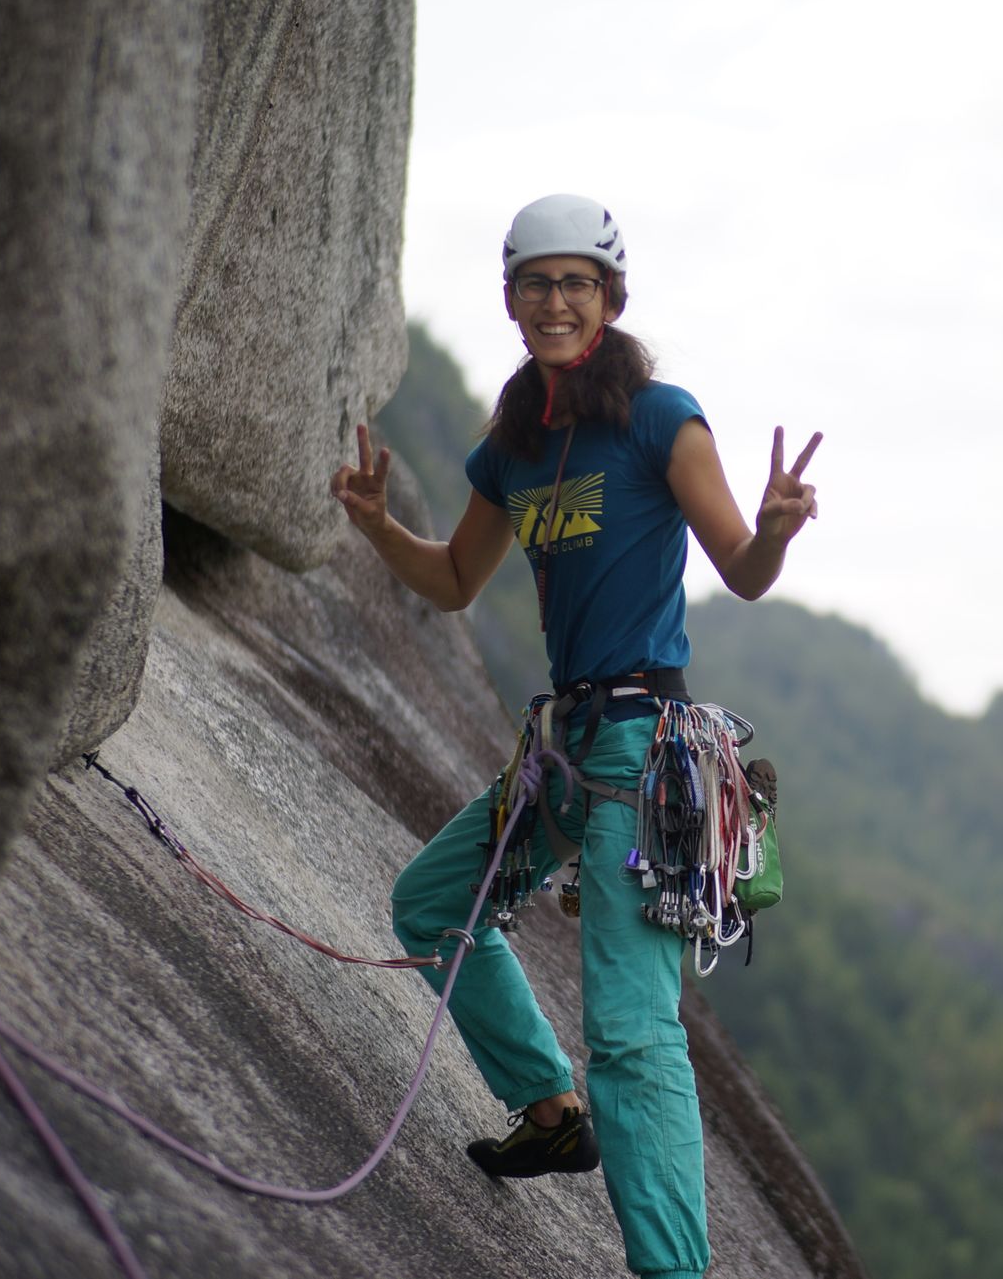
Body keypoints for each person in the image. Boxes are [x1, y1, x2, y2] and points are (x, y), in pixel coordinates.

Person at [329, 193, 820, 1279]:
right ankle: (550, 1111)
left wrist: (774, 530)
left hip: (643, 753)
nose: (555, 300)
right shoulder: (513, 446)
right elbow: (455, 580)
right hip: (564, 745)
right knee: (432, 899)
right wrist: (377, 529)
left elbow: (737, 569)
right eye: (536, 283)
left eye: (575, 283)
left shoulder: (660, 419)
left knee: (634, 1035)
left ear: (609, 298)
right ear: (510, 298)